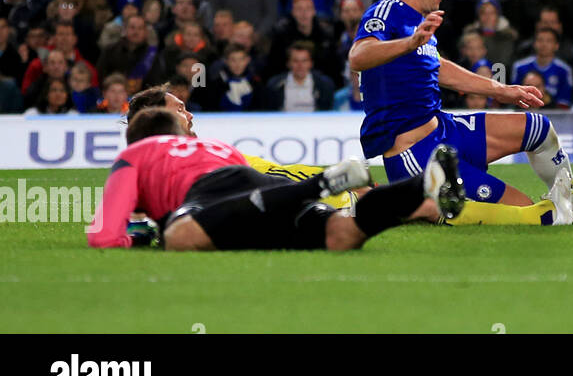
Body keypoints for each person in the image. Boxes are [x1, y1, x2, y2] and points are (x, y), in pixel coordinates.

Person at [348, 0, 573, 223]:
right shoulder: (387, 12)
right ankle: (398, 202)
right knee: (529, 213)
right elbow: (359, 56)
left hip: (445, 130)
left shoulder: (417, 18)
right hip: (416, 155)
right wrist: (409, 43)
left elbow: (437, 67)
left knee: (538, 128)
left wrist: (502, 89)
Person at [87, 106, 467, 250]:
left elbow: (103, 235)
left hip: (210, 196)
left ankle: (320, 183)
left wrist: (132, 241)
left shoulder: (133, 154)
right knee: (341, 234)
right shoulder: (217, 147)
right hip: (258, 189)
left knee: (179, 236)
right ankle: (423, 184)